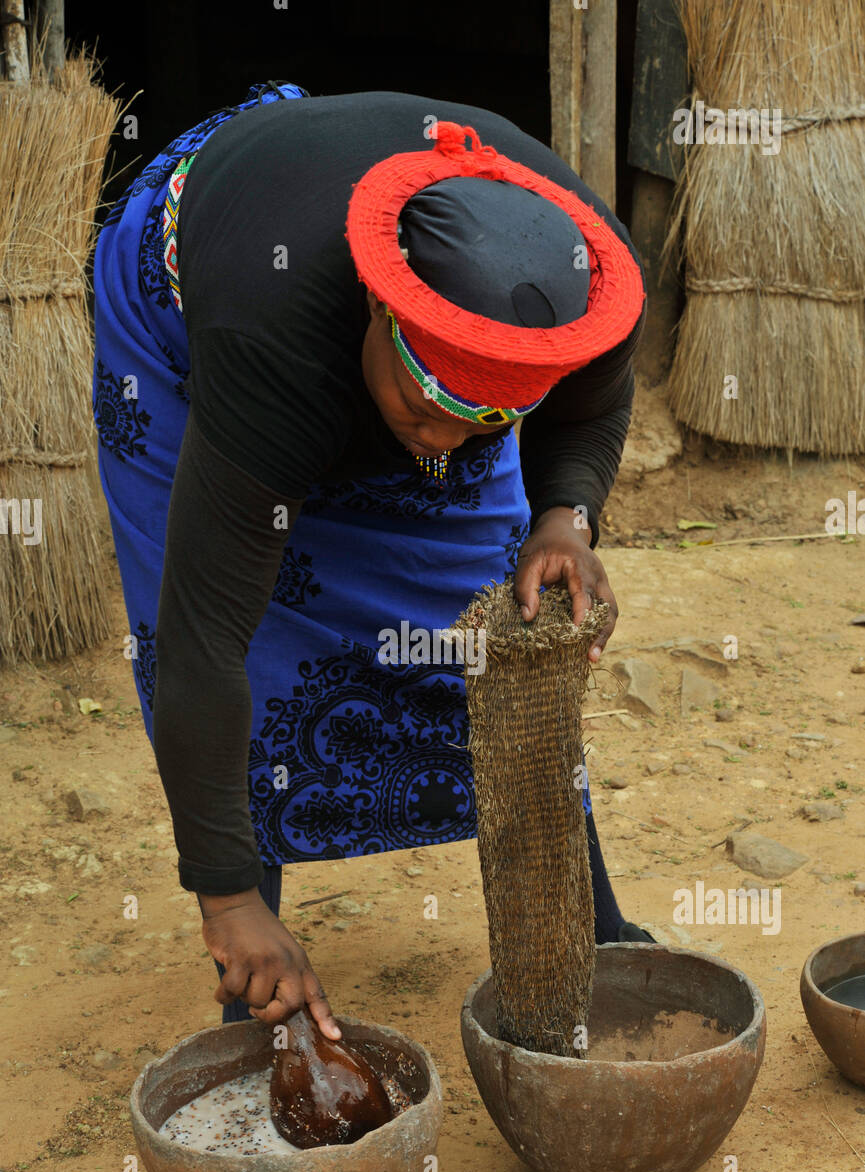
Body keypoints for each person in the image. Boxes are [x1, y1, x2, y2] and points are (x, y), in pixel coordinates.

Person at [92, 80, 652, 1040]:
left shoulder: (582, 285)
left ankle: (590, 935)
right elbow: (201, 640)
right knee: (254, 628)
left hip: (361, 308)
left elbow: (589, 410)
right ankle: (251, 971)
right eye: (428, 397)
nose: (441, 439)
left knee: (492, 632)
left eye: (488, 419)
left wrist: (564, 519)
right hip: (190, 303)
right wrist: (223, 900)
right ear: (378, 311)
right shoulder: (270, 338)